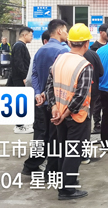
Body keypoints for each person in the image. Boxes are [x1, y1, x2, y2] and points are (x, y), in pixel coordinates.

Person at [42, 23, 93, 201]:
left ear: (70, 42)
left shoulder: (60, 59)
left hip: (59, 114)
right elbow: (80, 95)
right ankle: (67, 189)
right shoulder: (84, 65)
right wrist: (65, 112)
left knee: (64, 150)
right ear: (86, 44)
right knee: (74, 152)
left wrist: (55, 108)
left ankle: (65, 181)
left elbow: (49, 86)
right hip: (77, 117)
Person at [24, 19, 69, 177]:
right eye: (65, 30)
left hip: (41, 101)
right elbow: (61, 78)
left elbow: (34, 75)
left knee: (41, 134)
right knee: (55, 137)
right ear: (59, 31)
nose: (67, 34)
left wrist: (38, 93)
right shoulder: (63, 51)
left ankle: (32, 165)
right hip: (56, 102)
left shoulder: (40, 51)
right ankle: (51, 170)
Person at [9, 27, 34, 134]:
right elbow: (19, 63)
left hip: (18, 78)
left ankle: (21, 124)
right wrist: (24, 77)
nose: (32, 38)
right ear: (24, 35)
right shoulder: (19, 46)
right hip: (19, 79)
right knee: (20, 102)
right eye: (31, 35)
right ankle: (19, 126)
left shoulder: (20, 45)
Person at [82, 45, 104, 159]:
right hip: (92, 92)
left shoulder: (68, 56)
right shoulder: (93, 54)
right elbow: (101, 72)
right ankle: (84, 154)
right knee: (86, 121)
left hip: (73, 95)